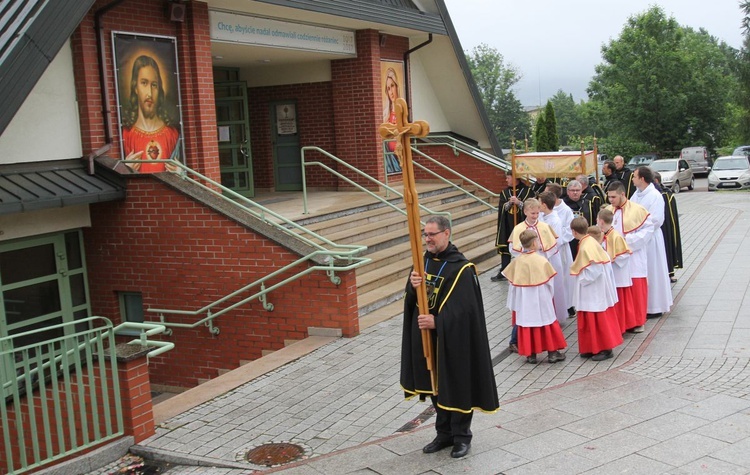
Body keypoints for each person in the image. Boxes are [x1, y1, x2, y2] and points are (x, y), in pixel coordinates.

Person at [401, 216, 499, 459]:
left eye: (432, 234)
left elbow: (467, 311)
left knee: (457, 384)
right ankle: (443, 433)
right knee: (435, 385)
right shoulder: (422, 261)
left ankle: (462, 436)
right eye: (425, 234)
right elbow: (412, 301)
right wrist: (412, 288)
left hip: (454, 340)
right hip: (429, 339)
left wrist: (438, 322)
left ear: (446, 234)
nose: (427, 239)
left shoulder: (462, 268)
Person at [503, 229, 567, 364]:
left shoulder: (517, 262)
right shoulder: (541, 260)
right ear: (533, 244)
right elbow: (550, 281)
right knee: (547, 322)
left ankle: (531, 354)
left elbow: (512, 284)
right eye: (537, 240)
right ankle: (552, 353)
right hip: (541, 299)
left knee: (528, 324)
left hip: (525, 302)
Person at [569, 217, 623, 361]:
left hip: (594, 289)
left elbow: (595, 269)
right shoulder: (588, 242)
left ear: (573, 232)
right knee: (589, 318)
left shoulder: (587, 245)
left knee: (598, 319)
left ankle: (605, 349)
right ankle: (590, 347)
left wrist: (581, 278)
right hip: (591, 290)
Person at [606, 181, 651, 333]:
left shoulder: (638, 210)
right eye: (609, 197)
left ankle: (638, 321)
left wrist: (626, 241)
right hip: (615, 258)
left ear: (623, 194)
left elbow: (647, 230)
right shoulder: (607, 210)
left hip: (633, 256)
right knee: (619, 289)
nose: (611, 200)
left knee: (635, 289)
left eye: (613, 197)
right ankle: (621, 322)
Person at [121, 55, 179, 173]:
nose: (150, 93)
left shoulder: (172, 134)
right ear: (135, 87)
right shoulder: (125, 135)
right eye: (144, 83)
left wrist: (180, 172)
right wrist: (125, 170)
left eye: (154, 85)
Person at [630, 166, 673, 317]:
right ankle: (642, 305)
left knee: (653, 270)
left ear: (642, 178)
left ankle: (655, 306)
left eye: (634, 176)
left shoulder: (655, 195)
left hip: (651, 238)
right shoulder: (636, 194)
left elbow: (656, 219)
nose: (632, 179)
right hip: (637, 237)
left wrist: (638, 226)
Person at [598, 208, 636, 333]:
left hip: (618, 274)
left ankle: (622, 326)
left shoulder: (615, 236)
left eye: (597, 220)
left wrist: (611, 258)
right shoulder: (605, 235)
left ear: (602, 221)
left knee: (620, 303)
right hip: (612, 273)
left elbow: (624, 254)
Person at [491, 175, 534, 282]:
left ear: (516, 178)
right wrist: (509, 203)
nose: (506, 180)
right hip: (508, 224)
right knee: (506, 246)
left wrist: (519, 203)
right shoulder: (505, 192)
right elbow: (502, 207)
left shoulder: (528, 191)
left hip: (522, 224)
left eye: (508, 177)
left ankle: (523, 270)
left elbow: (532, 206)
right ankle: (504, 271)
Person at [539, 191, 572, 325]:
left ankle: (555, 314)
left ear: (544, 205)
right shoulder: (543, 216)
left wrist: (540, 245)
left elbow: (555, 241)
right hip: (544, 255)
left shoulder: (555, 220)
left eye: (539, 202)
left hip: (551, 256)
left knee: (554, 286)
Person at [546, 182, 576, 317]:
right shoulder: (544, 210)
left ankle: (568, 305)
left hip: (561, 248)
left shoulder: (566, 210)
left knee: (564, 278)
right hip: (546, 250)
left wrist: (556, 241)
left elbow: (569, 231)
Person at [653, 172, 683, 283]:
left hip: (664, 227)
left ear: (656, 181)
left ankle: (670, 272)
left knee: (667, 246)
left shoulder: (665, 195)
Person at [563, 180, 595, 258]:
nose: (575, 192)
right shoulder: (563, 206)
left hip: (585, 239)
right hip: (568, 240)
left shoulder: (588, 204)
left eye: (577, 190)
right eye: (572, 190)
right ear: (568, 192)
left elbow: (594, 221)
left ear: (581, 191)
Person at [382, 67, 402, 173]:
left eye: (392, 86)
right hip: (389, 155)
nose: (391, 92)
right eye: (388, 88)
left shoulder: (402, 109)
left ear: (397, 86)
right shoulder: (386, 113)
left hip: (398, 153)